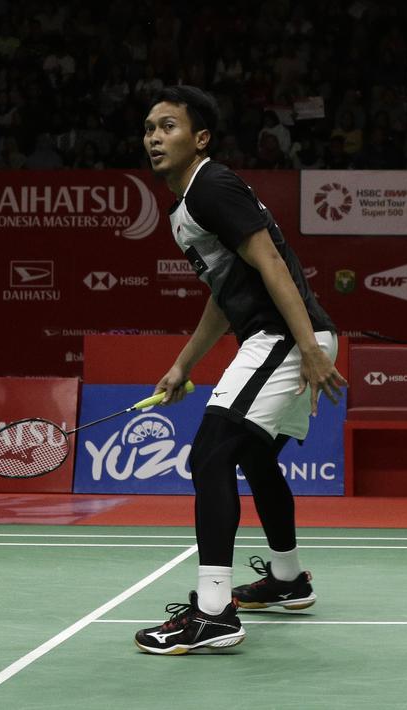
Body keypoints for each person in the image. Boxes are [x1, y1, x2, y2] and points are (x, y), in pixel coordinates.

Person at [135, 85, 348, 655]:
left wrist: (307, 346)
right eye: (150, 128)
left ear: (199, 138)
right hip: (278, 334)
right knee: (252, 455)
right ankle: (287, 578)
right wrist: (182, 365)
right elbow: (223, 297)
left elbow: (270, 259)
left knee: (211, 452)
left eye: (169, 126)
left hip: (284, 335)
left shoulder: (212, 184)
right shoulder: (186, 210)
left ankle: (213, 613)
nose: (155, 137)